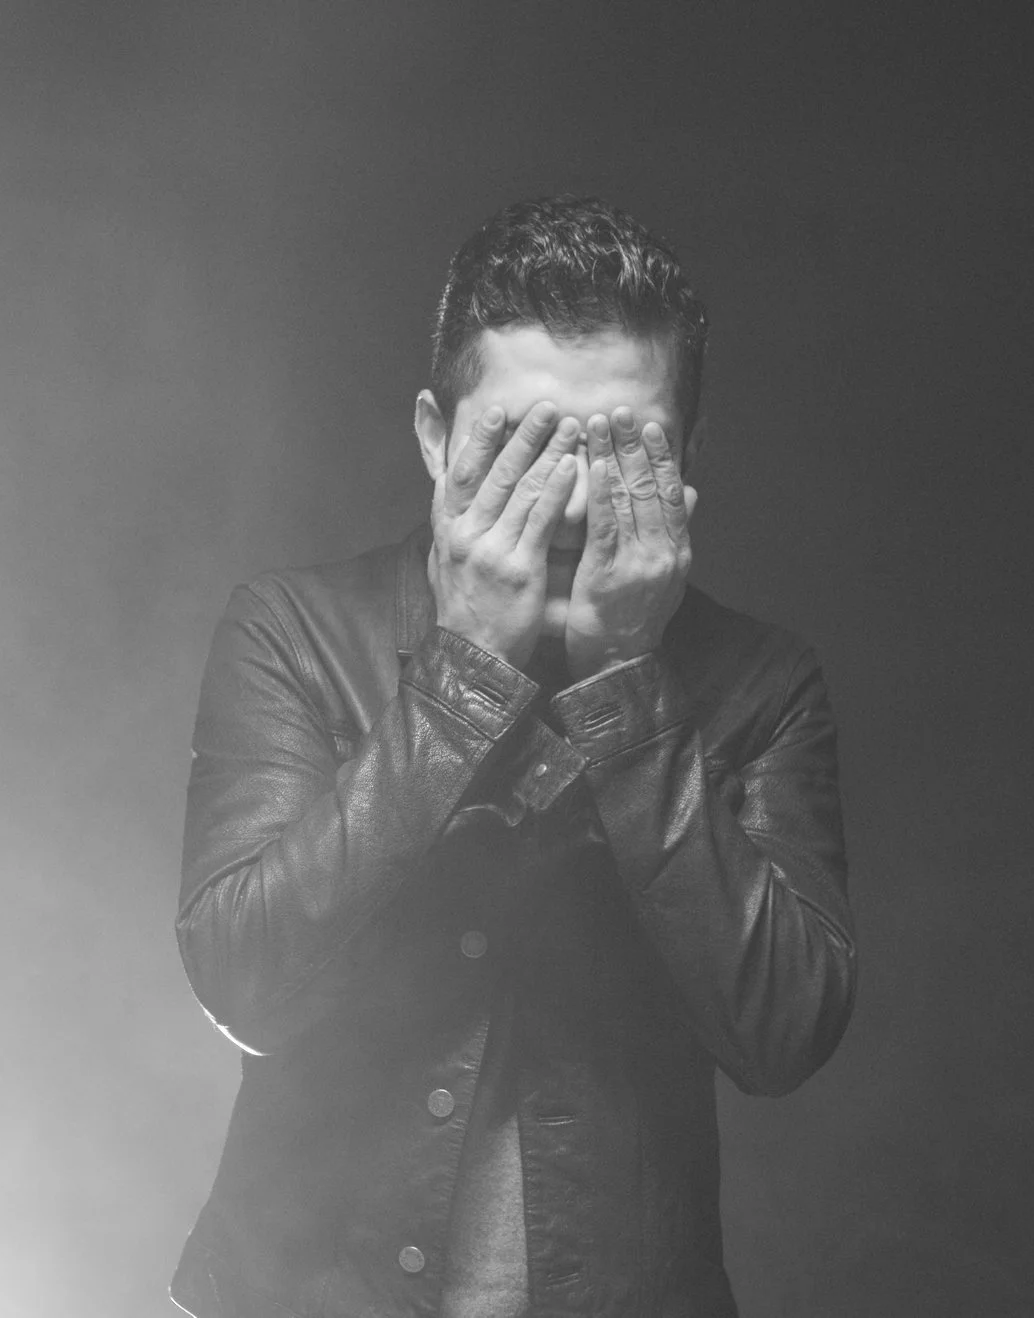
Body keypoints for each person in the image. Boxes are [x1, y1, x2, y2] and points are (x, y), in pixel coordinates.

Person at [169, 196, 857, 1317]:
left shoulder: (762, 684)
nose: (568, 501)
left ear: (686, 457)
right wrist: (464, 672)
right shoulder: (292, 631)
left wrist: (625, 680)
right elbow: (244, 982)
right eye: (521, 446)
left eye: (620, 450)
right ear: (434, 436)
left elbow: (784, 1032)